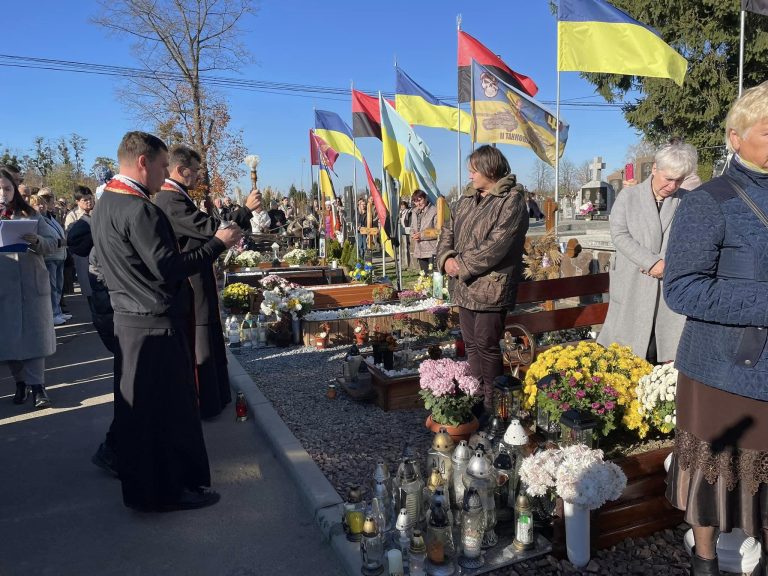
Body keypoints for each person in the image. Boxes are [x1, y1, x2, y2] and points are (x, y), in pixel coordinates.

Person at [91, 131, 241, 512]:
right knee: (168, 413)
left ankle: (145, 488)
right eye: (161, 166)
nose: (164, 175)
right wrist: (218, 244)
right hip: (155, 325)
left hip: (129, 323)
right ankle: (171, 490)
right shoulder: (139, 210)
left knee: (140, 414)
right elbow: (169, 269)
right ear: (143, 162)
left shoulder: (106, 203)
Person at [663, 82, 768, 576]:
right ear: (735, 138)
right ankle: (704, 561)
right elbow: (682, 289)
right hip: (723, 371)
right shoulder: (709, 201)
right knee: (712, 471)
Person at [154, 145, 252, 419]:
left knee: (209, 334)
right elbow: (212, 229)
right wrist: (245, 210)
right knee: (201, 340)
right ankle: (205, 402)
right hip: (191, 281)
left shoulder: (177, 196)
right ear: (181, 170)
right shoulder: (170, 199)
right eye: (196, 170)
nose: (198, 176)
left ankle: (216, 396)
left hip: (199, 276)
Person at [436, 145, 528, 420]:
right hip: (465, 284)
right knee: (471, 344)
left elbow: (498, 244)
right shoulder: (466, 199)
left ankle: (494, 406)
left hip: (491, 285)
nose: (470, 174)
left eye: (474, 170)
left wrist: (461, 265)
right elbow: (447, 231)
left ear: (490, 170)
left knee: (487, 344)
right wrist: (446, 259)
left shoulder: (511, 201)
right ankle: (474, 398)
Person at [596, 142, 698, 364]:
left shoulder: (687, 200)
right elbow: (620, 234)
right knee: (627, 354)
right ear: (654, 169)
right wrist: (651, 262)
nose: (672, 186)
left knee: (664, 352)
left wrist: (668, 264)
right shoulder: (628, 197)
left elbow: (692, 239)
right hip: (633, 282)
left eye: (679, 180)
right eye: (668, 178)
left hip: (668, 285)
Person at [0, 168, 58, 409]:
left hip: (31, 286)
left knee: (34, 339)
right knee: (9, 339)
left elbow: (53, 243)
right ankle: (20, 383)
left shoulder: (30, 214)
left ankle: (38, 386)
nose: (3, 193)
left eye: (7, 188)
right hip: (4, 289)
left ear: (14, 190)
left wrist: (36, 241)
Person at [34, 190, 70, 325]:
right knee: (52, 287)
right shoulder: (38, 219)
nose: (42, 206)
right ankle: (53, 314)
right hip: (50, 257)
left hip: (60, 255)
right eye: (38, 204)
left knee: (59, 286)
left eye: (44, 203)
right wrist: (60, 242)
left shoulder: (50, 217)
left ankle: (58, 311)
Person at [64, 185, 95, 302]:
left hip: (98, 254)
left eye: (90, 198)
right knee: (88, 288)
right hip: (82, 256)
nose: (89, 202)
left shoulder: (98, 212)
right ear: (77, 202)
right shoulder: (72, 216)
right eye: (85, 200)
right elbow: (70, 239)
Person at [410, 190, 438, 272]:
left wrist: (421, 235)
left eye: (420, 200)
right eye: (415, 201)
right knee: (424, 276)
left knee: (433, 275)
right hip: (419, 250)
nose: (418, 203)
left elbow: (438, 231)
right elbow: (412, 227)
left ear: (425, 199)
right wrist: (413, 234)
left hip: (432, 250)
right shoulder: (414, 212)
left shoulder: (435, 211)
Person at [398, 199, 412, 267]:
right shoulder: (400, 212)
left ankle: (408, 262)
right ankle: (402, 261)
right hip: (401, 230)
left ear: (405, 206)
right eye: (401, 205)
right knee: (402, 247)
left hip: (407, 231)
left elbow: (409, 221)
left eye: (403, 205)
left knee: (407, 247)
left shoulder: (408, 212)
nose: (402, 206)